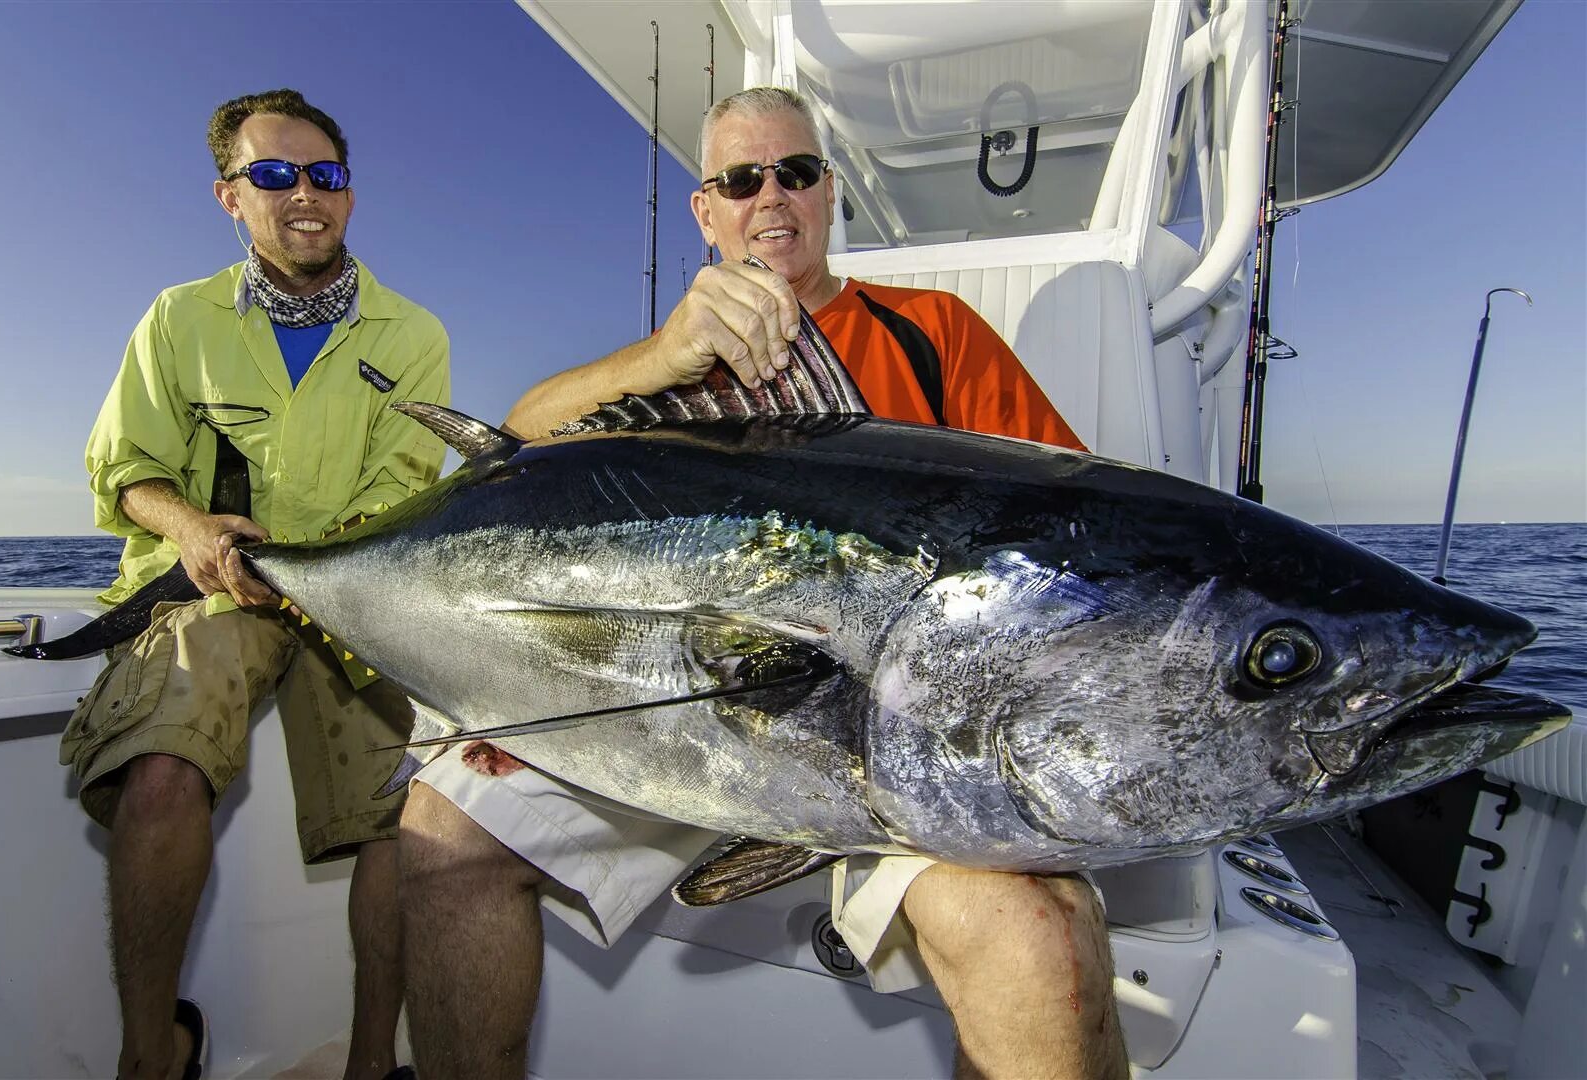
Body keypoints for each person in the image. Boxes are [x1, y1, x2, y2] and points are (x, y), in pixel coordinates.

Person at [399, 86, 1125, 1080]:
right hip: (672, 724)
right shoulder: (659, 371)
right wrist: (665, 354)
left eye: (797, 172)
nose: (770, 197)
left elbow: (1082, 553)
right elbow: (511, 451)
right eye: (741, 180)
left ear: (830, 193)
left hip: (899, 752)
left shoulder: (934, 333)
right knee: (443, 835)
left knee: (1034, 933)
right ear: (705, 213)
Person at [60, 88, 450, 1080]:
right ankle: (151, 1056)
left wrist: (329, 567)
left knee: (413, 808)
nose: (304, 195)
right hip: (210, 595)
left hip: (349, 601)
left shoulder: (412, 336)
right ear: (230, 197)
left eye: (325, 175)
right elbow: (128, 470)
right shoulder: (177, 319)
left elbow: (399, 493)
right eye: (273, 175)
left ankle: (371, 1064)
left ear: (350, 196)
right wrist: (193, 529)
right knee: (160, 772)